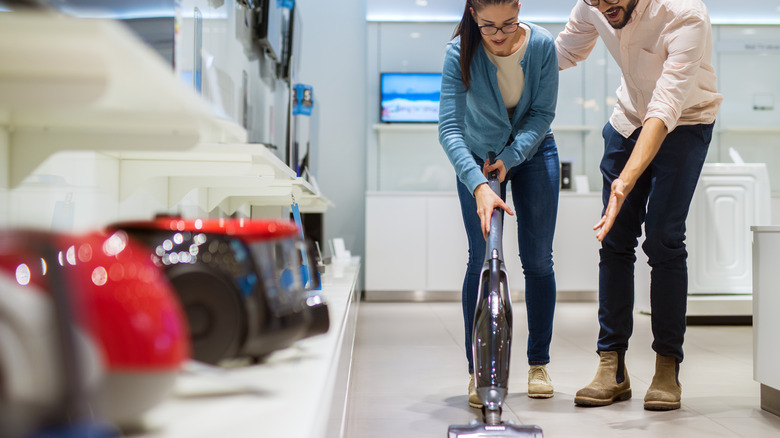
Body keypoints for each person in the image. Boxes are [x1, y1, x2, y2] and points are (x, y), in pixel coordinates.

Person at [555, 0, 723, 410]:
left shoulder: (685, 13)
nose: (601, 5)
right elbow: (562, 53)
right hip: (628, 119)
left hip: (685, 120)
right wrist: (501, 53)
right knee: (613, 241)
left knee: (663, 238)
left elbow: (666, 105)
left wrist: (624, 184)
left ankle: (667, 364)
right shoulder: (593, 5)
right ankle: (610, 364)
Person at [439, 0, 560, 408]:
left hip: (534, 152)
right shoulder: (460, 53)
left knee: (538, 260)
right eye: (489, 25)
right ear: (473, 14)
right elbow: (449, 128)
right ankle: (478, 370)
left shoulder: (542, 45)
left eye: (509, 24)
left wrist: (510, 160)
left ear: (520, 10)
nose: (499, 35)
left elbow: (542, 113)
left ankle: (538, 364)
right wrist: (479, 183)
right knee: (481, 259)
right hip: (476, 157)